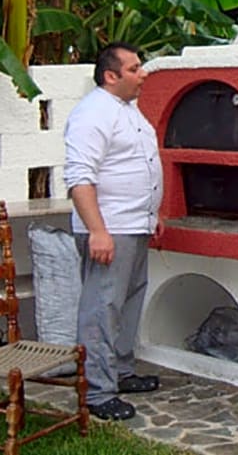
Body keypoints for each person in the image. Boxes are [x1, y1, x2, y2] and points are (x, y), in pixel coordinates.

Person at [63, 42, 164, 421]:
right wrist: (97, 231)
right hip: (109, 229)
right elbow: (80, 179)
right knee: (101, 308)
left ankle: (120, 372)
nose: (143, 74)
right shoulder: (91, 114)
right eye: (135, 68)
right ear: (111, 75)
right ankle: (96, 391)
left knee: (128, 302)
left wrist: (152, 213)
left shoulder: (127, 110)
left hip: (134, 224)